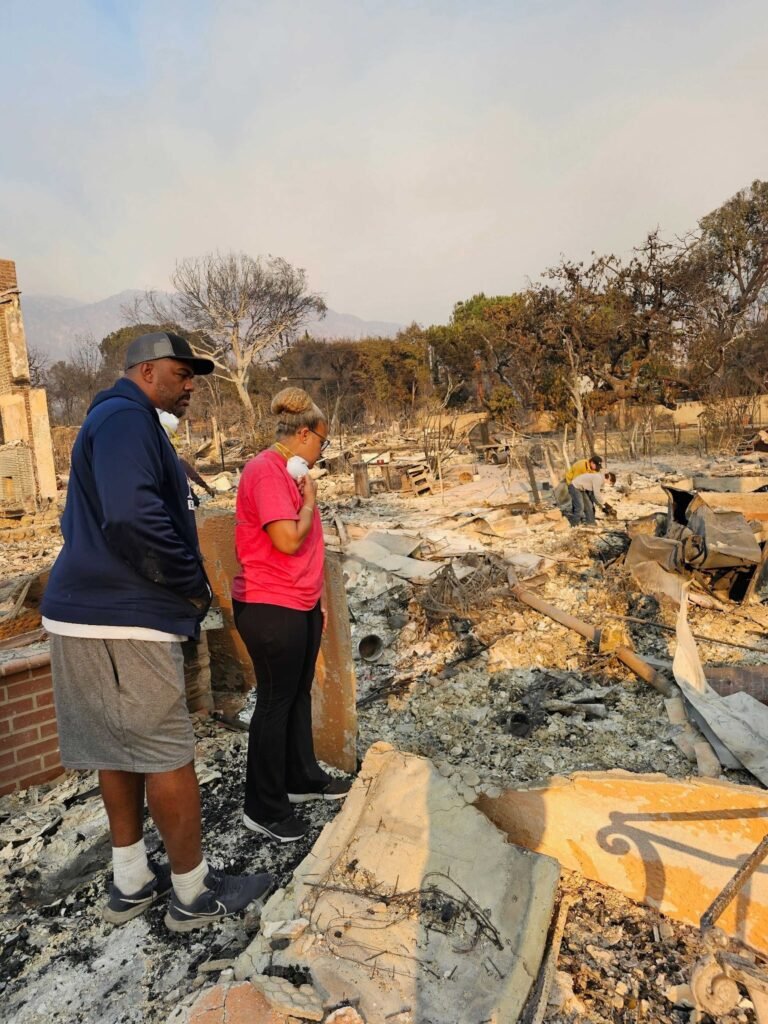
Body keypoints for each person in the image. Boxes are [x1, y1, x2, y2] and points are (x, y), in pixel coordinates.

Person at [41, 331, 274, 932]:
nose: (192, 383)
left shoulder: (111, 419)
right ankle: (193, 897)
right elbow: (131, 516)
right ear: (146, 371)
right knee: (168, 753)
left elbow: (95, 518)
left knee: (116, 748)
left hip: (80, 612)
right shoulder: (127, 420)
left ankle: (131, 882)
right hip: (126, 615)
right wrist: (187, 583)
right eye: (183, 372)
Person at [232, 387, 351, 844]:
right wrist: (308, 502)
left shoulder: (290, 473)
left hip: (298, 603)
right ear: (303, 434)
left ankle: (301, 778)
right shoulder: (266, 472)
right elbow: (286, 540)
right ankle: (262, 806)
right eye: (322, 442)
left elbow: (306, 552)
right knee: (275, 702)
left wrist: (316, 599)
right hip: (269, 604)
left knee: (298, 694)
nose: (322, 452)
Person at [564, 453, 602, 521]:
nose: (597, 469)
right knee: (579, 503)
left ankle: (590, 518)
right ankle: (575, 520)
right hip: (572, 483)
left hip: (583, 486)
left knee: (589, 501)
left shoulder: (593, 470)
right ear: (592, 463)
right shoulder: (581, 466)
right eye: (596, 466)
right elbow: (576, 481)